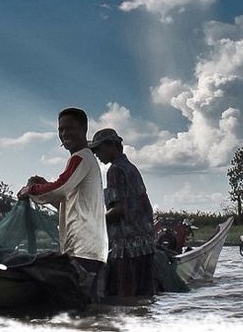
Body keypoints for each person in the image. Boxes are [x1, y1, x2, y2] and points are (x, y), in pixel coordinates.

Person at [18, 107, 108, 304]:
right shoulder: (85, 159)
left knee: (78, 309)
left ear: (84, 129)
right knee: (89, 310)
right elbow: (66, 198)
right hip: (91, 249)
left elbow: (59, 188)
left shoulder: (80, 157)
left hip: (83, 249)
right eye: (61, 130)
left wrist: (30, 190)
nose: (64, 134)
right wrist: (42, 184)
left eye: (69, 128)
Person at [90, 127, 156, 298]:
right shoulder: (131, 168)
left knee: (124, 298)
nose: (97, 154)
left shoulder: (115, 170)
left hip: (126, 248)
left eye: (99, 149)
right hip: (145, 244)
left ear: (112, 146)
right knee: (144, 297)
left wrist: (93, 223)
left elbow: (119, 209)